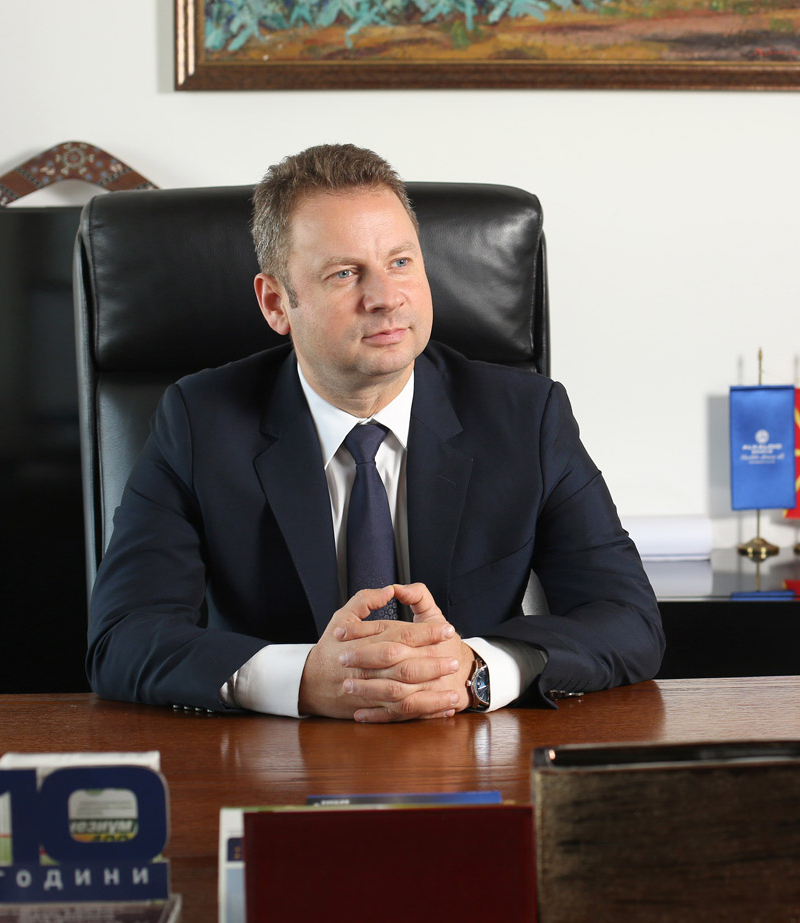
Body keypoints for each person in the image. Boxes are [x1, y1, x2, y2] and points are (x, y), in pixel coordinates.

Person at [86, 143, 664, 723]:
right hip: (279, 756)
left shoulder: (526, 417)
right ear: (276, 303)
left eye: (401, 262)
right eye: (344, 273)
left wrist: (475, 669)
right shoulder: (200, 422)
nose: (386, 298)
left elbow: (628, 619)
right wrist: (301, 679)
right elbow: (122, 637)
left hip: (471, 751)